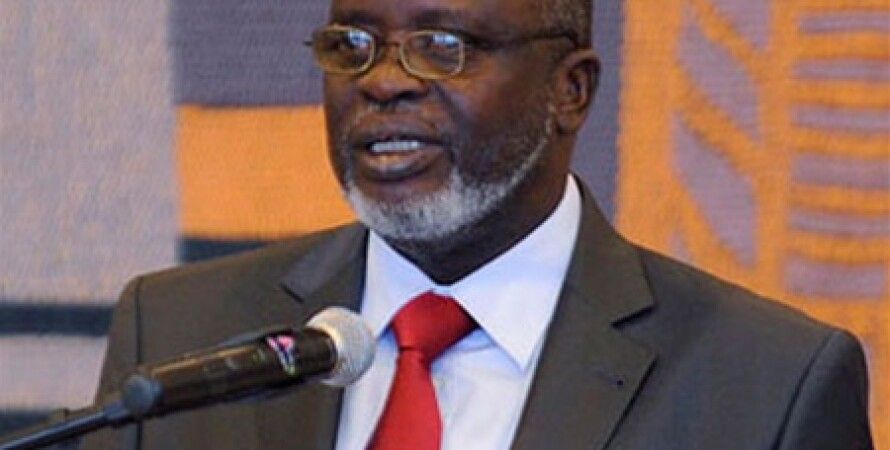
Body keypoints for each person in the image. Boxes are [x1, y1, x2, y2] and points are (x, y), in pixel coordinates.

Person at [82, 0, 873, 448]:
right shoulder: (177, 335)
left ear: (570, 91)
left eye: (442, 47)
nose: (383, 82)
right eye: (352, 45)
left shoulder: (769, 387)